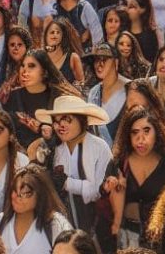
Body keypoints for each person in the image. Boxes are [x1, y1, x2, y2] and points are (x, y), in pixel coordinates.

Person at [102, 106, 165, 249]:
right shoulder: (119, 163)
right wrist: (108, 188)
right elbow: (102, 200)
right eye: (135, 132)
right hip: (127, 236)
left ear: (157, 132)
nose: (140, 139)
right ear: (128, 135)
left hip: (162, 236)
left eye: (146, 131)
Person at [35, 95, 112, 232]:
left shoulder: (99, 147)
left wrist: (66, 183)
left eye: (67, 119)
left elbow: (99, 191)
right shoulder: (56, 151)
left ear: (81, 120)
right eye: (56, 121)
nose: (60, 126)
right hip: (64, 227)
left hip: (98, 227)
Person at [0, 164, 73, 254]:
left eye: (25, 193)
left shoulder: (56, 225)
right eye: (14, 190)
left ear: (40, 195)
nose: (18, 197)